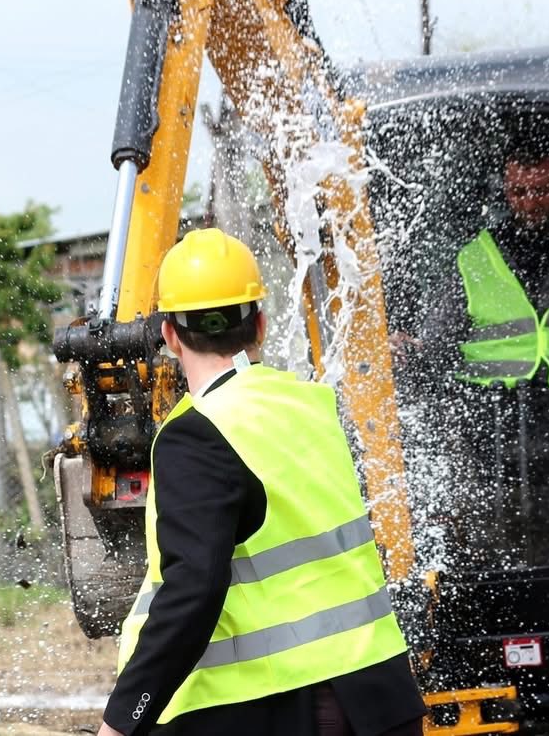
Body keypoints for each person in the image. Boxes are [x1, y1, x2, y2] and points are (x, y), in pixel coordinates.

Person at [97, 228, 426, 736]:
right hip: (381, 697)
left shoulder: (196, 434)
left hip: (281, 707)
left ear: (168, 335)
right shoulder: (315, 406)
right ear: (261, 325)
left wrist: (123, 720)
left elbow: (194, 590)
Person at [396, 135, 549, 568]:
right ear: (506, 192)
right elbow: (438, 337)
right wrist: (411, 347)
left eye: (540, 190)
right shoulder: (476, 256)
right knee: (503, 539)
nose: (530, 202)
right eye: (520, 192)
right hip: (499, 425)